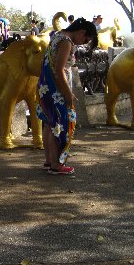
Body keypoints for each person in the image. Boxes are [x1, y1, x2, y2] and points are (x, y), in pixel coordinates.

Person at [37, 18, 98, 175]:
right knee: (58, 125)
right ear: (82, 32)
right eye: (85, 39)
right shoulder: (66, 42)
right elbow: (59, 69)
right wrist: (68, 93)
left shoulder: (57, 35)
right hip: (57, 90)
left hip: (46, 86)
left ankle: (49, 161)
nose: (83, 43)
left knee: (49, 124)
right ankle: (56, 164)